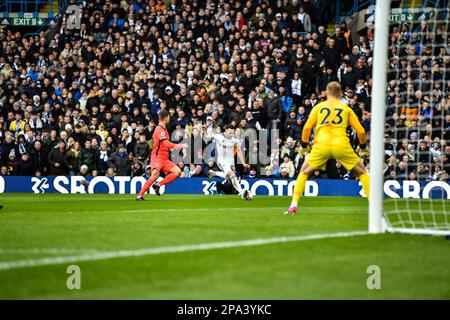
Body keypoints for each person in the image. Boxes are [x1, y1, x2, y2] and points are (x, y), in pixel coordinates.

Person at [286, 81, 370, 214]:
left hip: (322, 144)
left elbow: (307, 127)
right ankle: (374, 206)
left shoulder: (319, 107)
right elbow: (360, 131)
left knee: (303, 172)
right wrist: (363, 147)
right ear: (341, 94)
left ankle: (293, 205)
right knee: (362, 172)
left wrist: (304, 146)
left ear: (326, 93)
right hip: (341, 144)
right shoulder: (346, 109)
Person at [136, 110, 188, 200]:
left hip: (165, 158)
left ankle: (158, 184)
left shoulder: (164, 130)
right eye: (168, 117)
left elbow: (166, 145)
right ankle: (140, 195)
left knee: (178, 172)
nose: (169, 119)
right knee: (155, 174)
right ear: (165, 118)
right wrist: (180, 145)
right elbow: (166, 143)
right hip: (157, 157)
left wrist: (171, 148)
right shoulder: (159, 129)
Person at [206, 125, 251, 199]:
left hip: (231, 162)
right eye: (230, 133)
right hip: (221, 161)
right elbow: (206, 137)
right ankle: (242, 193)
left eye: (232, 133)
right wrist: (204, 131)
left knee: (228, 177)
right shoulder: (218, 136)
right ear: (226, 131)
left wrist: (243, 163)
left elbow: (239, 151)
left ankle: (214, 173)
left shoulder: (235, 140)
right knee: (232, 175)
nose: (231, 135)